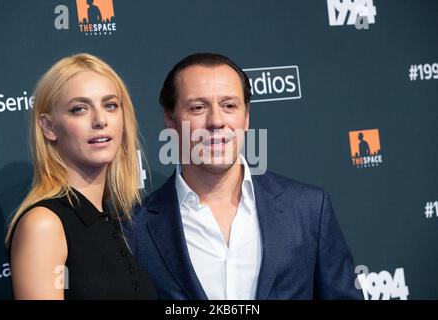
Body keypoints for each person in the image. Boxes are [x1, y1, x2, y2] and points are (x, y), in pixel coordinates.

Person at [127, 52, 363, 300]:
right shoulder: (135, 230)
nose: (216, 121)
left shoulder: (309, 209)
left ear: (246, 117)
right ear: (170, 121)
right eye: (198, 107)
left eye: (229, 106)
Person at [5, 53, 156, 300]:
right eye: (79, 109)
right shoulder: (44, 225)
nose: (100, 120)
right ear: (48, 127)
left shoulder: (112, 220)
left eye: (110, 105)